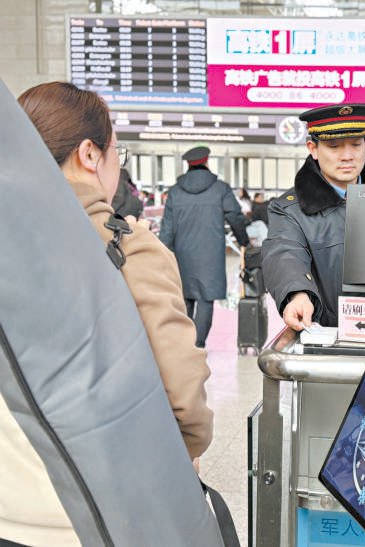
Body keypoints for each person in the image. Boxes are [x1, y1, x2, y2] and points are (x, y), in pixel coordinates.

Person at [12, 81, 212, 546]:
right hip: (96, 519)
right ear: (89, 154)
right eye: (115, 151)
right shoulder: (128, 247)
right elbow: (183, 400)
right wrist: (185, 453)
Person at [262, 103, 365, 340]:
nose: (347, 156)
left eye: (356, 145)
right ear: (313, 149)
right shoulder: (289, 210)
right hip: (325, 343)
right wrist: (297, 294)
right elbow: (284, 253)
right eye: (334, 146)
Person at [159, 145, 250, 347]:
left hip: (182, 255)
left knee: (185, 297)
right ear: (206, 162)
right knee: (206, 299)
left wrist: (162, 257)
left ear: (188, 165)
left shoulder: (175, 192)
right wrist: (244, 241)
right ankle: (198, 344)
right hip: (211, 255)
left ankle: (183, 344)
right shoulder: (220, 189)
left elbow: (166, 229)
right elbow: (235, 217)